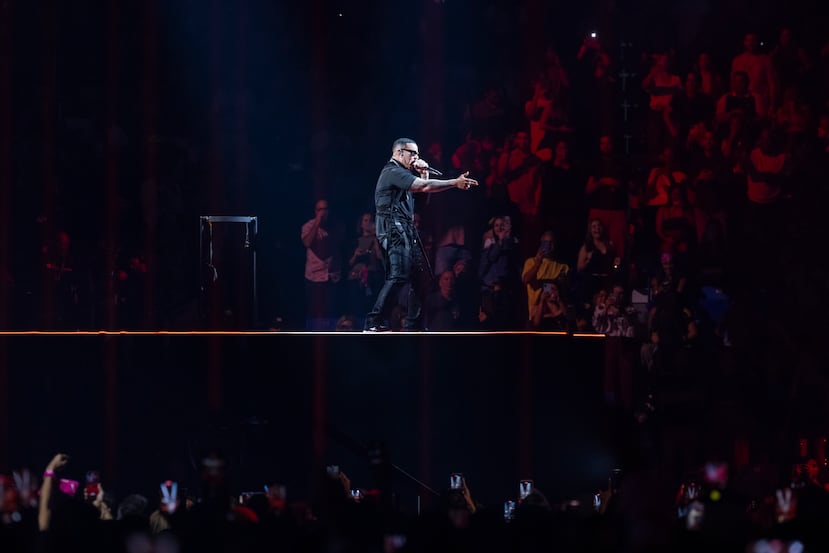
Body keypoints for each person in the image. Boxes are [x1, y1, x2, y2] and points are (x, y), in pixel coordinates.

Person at [365, 138, 478, 332]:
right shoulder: (392, 171)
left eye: (417, 154)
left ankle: (413, 325)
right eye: (413, 153)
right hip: (393, 228)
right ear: (400, 153)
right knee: (399, 275)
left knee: (422, 277)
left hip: (406, 229)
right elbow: (423, 187)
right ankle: (373, 322)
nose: (416, 157)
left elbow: (421, 201)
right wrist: (454, 183)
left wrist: (424, 172)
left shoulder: (404, 176)